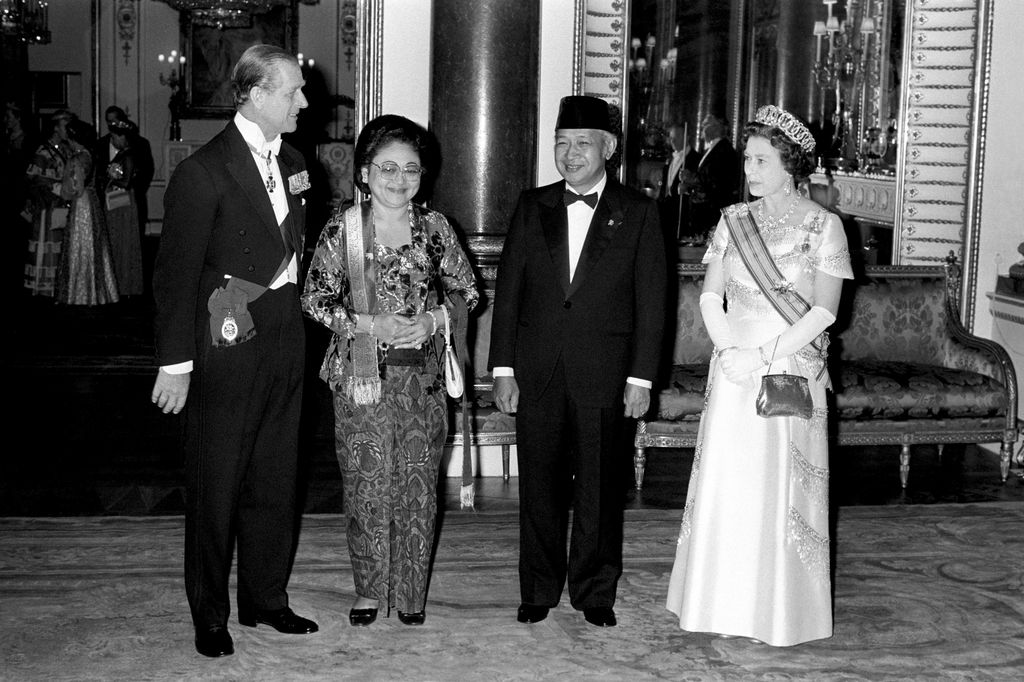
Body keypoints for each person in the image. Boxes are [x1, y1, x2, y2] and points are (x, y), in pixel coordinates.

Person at [150, 44, 317, 658]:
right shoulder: (203, 172)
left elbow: (293, 249)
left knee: (277, 474)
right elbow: (175, 275)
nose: (304, 101)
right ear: (255, 93)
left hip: (283, 338)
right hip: (225, 343)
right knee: (217, 483)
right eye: (294, 91)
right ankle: (210, 613)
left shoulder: (296, 161)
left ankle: (266, 599)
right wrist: (176, 363)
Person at [665, 104, 854, 646]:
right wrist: (729, 351)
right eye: (747, 158)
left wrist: (763, 355)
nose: (748, 169)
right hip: (733, 368)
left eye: (760, 159)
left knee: (779, 486)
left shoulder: (825, 225)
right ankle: (715, 601)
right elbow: (708, 294)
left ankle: (778, 611)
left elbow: (823, 312)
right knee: (730, 480)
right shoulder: (732, 220)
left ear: (790, 163)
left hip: (789, 368)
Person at [489, 95, 666, 628]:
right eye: (562, 144)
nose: (569, 154)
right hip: (536, 371)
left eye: (582, 144)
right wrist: (503, 369)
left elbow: (652, 302)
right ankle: (538, 588)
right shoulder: (531, 205)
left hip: (607, 375)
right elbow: (510, 292)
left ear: (607, 148)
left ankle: (594, 592)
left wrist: (640, 377)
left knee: (599, 487)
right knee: (537, 486)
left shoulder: (638, 212)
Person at [301, 114, 478, 628]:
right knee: (367, 483)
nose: (399, 180)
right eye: (387, 168)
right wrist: (367, 322)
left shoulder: (436, 228)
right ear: (363, 172)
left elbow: (468, 292)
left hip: (422, 379)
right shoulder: (344, 230)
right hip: (361, 378)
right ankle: (368, 590)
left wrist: (433, 317)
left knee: (419, 484)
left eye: (411, 170)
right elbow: (314, 299)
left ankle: (411, 591)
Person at [55, 118, 119, 305]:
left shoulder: (76, 159)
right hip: (92, 202)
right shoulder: (89, 155)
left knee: (80, 246)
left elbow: (74, 188)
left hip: (81, 204)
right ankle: (95, 291)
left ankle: (79, 292)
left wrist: (58, 190)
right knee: (93, 245)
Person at [24, 109, 74, 297]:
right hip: (47, 207)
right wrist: (52, 187)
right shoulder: (43, 152)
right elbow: (32, 177)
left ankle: (60, 283)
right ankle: (44, 285)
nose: (68, 130)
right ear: (55, 128)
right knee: (47, 243)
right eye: (64, 126)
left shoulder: (68, 150)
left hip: (63, 204)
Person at [98, 117, 145, 297]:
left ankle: (125, 284)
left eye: (114, 137)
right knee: (115, 239)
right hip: (116, 200)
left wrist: (109, 178)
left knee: (123, 240)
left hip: (123, 201)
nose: (112, 141)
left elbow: (126, 182)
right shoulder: (121, 154)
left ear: (123, 137)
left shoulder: (129, 155)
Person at [680, 114, 740, 239]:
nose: (702, 128)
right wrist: (689, 188)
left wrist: (693, 179)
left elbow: (718, 183)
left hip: (713, 216)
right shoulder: (712, 149)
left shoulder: (725, 151)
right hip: (703, 216)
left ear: (717, 128)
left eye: (706, 125)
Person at [658, 123, 700, 241]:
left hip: (684, 214)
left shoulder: (695, 159)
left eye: (676, 138)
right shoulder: (670, 157)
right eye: (671, 138)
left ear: (686, 137)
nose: (672, 141)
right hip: (667, 212)